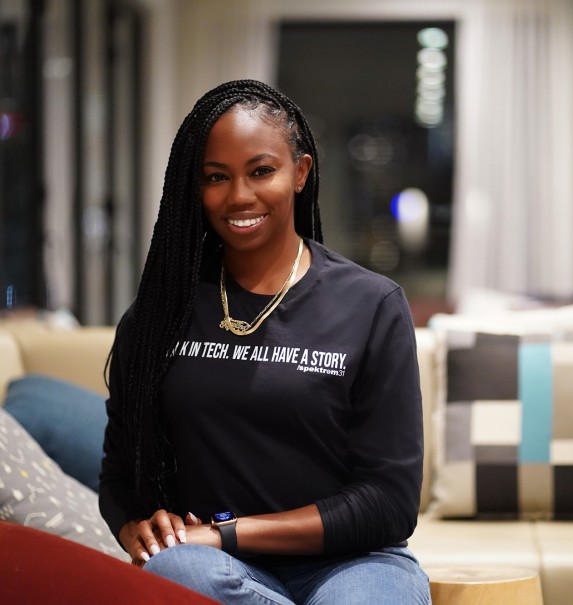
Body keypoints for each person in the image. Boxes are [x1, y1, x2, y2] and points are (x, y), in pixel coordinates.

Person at [99, 79, 431, 605]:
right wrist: (133, 526)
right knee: (176, 569)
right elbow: (119, 472)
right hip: (210, 565)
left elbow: (389, 502)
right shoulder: (161, 314)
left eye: (261, 171)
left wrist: (229, 530)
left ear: (300, 173)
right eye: (216, 177)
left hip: (355, 564)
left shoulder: (370, 304)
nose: (239, 196)